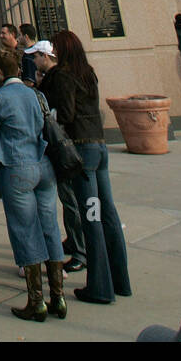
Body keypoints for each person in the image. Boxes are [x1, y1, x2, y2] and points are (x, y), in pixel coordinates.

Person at [0, 46, 66, 321]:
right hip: (43, 166)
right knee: (50, 227)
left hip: (17, 167)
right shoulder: (36, 94)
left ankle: (36, 300)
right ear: (18, 70)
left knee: (25, 230)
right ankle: (59, 297)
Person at [50, 29, 131, 305]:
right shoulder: (88, 72)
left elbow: (67, 113)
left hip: (83, 152)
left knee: (91, 217)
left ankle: (100, 286)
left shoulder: (64, 75)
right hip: (99, 146)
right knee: (107, 212)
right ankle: (120, 279)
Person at [32, 40, 87, 273]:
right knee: (67, 198)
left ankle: (80, 251)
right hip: (58, 146)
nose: (34, 60)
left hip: (64, 146)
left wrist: (51, 119)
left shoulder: (61, 78)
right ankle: (74, 241)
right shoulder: (52, 79)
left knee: (71, 199)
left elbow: (65, 112)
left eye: (36, 56)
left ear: (46, 56)